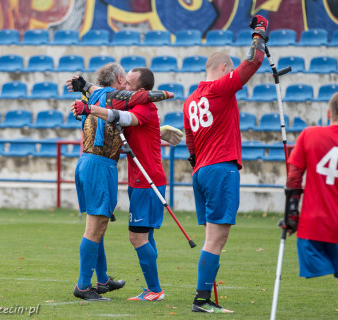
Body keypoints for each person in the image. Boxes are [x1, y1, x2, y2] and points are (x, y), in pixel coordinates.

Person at [182, 15, 268, 313]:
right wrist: (259, 33)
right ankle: (201, 300)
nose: (232, 74)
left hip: (201, 170)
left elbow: (190, 142)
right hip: (221, 168)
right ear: (222, 68)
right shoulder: (220, 88)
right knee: (217, 237)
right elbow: (253, 62)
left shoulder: (190, 100)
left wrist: (199, 162)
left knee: (212, 236)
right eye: (229, 69)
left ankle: (205, 298)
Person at [72, 67, 181, 301]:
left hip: (105, 168)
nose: (126, 91)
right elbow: (122, 114)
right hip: (103, 167)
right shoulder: (112, 99)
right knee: (100, 227)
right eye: (126, 84)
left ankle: (105, 281)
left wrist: (155, 131)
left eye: (131, 86)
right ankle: (86, 285)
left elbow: (123, 119)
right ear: (120, 80)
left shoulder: (98, 97)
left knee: (114, 229)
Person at [283, 93, 338, 282]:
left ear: (329, 113)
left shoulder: (309, 134)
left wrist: (291, 215)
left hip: (315, 226)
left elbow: (293, 178)